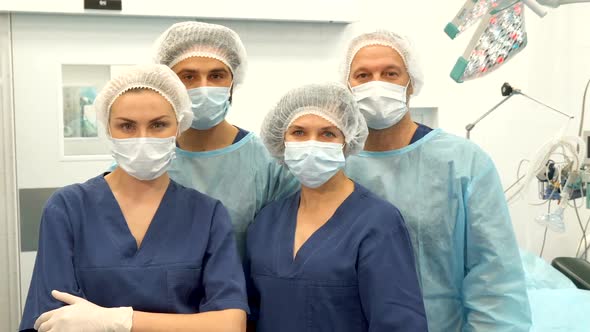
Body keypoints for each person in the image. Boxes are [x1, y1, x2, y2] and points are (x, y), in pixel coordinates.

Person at [20, 64, 248, 332]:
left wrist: (119, 321)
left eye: (159, 125)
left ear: (179, 127)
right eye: (127, 126)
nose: (142, 139)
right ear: (108, 128)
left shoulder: (207, 214)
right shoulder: (68, 208)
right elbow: (49, 321)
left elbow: (230, 324)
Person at [342, 30, 532, 331]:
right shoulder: (332, 165)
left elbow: (495, 280)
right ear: (347, 86)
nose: (376, 83)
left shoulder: (464, 163)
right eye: (363, 75)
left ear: (411, 83)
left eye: (390, 73)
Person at [245, 83, 427, 332]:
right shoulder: (266, 223)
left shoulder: (378, 223)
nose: (312, 144)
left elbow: (399, 323)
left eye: (328, 133)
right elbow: (250, 315)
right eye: (298, 132)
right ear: (281, 140)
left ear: (347, 140)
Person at [152, 22, 299, 256]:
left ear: (232, 82)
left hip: (243, 291)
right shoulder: (146, 157)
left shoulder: (269, 163)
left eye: (216, 76)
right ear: (169, 83)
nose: (203, 87)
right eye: (188, 76)